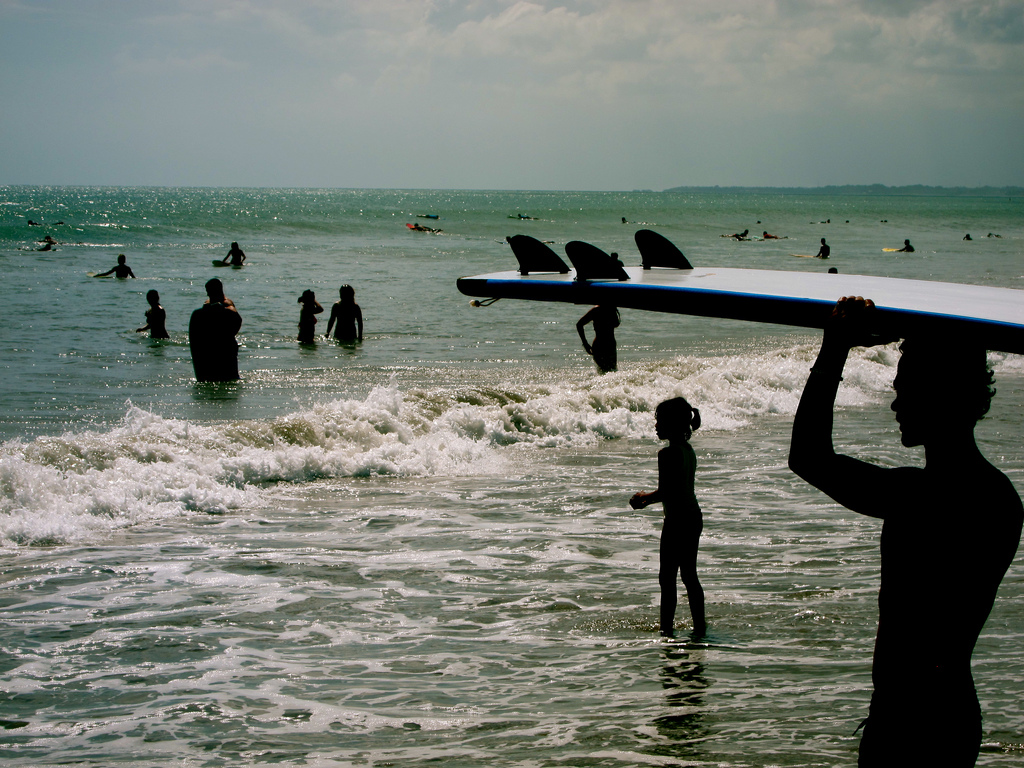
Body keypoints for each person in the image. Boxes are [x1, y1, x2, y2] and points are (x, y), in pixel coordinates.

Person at [788, 296, 1022, 767]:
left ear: (942, 394)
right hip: (947, 708)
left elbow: (808, 457)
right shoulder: (999, 496)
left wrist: (835, 347)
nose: (895, 403)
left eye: (907, 388)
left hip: (913, 720)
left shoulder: (924, 496)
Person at [630, 397, 707, 638]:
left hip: (676, 522)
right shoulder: (687, 450)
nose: (656, 425)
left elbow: (666, 492)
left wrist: (642, 498)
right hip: (693, 517)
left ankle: (666, 629)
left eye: (659, 420)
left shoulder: (667, 454)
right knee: (689, 576)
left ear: (671, 424)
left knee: (667, 578)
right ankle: (699, 626)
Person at [188, 278, 242, 381]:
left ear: (217, 290)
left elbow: (236, 317)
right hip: (213, 346)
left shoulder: (227, 303)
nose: (208, 295)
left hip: (227, 346)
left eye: (210, 292)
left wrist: (221, 308)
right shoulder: (208, 303)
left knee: (229, 378)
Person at [576, 305, 619, 373]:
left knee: (606, 372)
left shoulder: (609, 309)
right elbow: (579, 324)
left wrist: (585, 343)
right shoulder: (606, 310)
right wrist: (585, 343)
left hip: (608, 345)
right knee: (610, 371)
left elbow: (579, 324)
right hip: (602, 345)